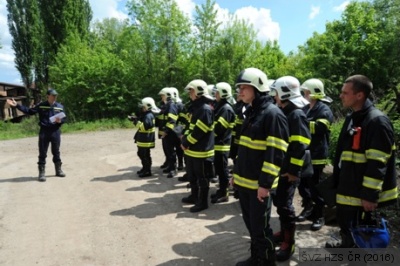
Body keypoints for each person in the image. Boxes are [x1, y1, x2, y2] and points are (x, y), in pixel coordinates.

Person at [326, 74, 398, 248]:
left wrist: (370, 196)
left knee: (362, 238)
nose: (340, 96)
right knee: (347, 227)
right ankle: (346, 246)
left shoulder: (377, 121)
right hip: (348, 190)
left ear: (359, 95)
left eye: (345, 93)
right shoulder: (353, 118)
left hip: (361, 196)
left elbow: (377, 163)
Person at [233, 68, 289, 266]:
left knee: (260, 228)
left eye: (243, 88)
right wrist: (235, 174)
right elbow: (246, 149)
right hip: (246, 183)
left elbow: (276, 154)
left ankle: (266, 262)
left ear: (256, 88)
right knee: (252, 227)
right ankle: (256, 258)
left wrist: (265, 185)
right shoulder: (252, 112)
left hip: (259, 186)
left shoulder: (272, 114)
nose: (239, 92)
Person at [270, 76, 311, 261]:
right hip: (282, 168)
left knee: (285, 205)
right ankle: (283, 233)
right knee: (279, 202)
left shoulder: (296, 114)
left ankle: (289, 242)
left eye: (275, 92)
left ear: (284, 93)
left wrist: (293, 171)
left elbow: (300, 145)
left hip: (289, 171)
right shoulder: (286, 111)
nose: (274, 95)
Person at [296, 78, 334, 231]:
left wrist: (302, 123)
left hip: (317, 155)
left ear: (312, 93)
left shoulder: (324, 109)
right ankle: (308, 207)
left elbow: (320, 128)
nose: (304, 94)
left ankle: (319, 215)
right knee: (302, 184)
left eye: (305, 91)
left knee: (315, 186)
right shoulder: (306, 108)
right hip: (305, 153)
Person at [6, 89, 66, 182]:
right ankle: (41, 173)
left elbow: (64, 119)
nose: (55, 97)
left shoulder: (60, 106)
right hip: (44, 131)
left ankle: (58, 170)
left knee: (56, 151)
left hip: (55, 131)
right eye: (53, 95)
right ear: (48, 96)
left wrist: (60, 121)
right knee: (42, 152)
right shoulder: (41, 105)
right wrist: (17, 105)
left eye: (56, 95)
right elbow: (29, 111)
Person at [180, 79, 215, 213]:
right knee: (192, 176)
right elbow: (190, 127)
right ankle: (194, 197)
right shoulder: (196, 108)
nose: (190, 94)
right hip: (192, 150)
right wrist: (184, 139)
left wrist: (186, 142)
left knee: (202, 178)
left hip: (201, 152)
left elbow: (199, 131)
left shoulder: (205, 109)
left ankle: (202, 202)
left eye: (191, 91)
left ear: (199, 92)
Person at [210, 82, 236, 204]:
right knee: (220, 169)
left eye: (217, 92)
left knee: (222, 170)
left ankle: (224, 193)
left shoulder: (226, 108)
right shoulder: (221, 106)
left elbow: (219, 128)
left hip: (222, 145)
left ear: (223, 93)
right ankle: (221, 190)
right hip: (218, 144)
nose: (215, 94)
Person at [133, 97, 160, 177]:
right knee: (143, 154)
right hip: (144, 139)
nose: (142, 108)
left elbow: (144, 127)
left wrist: (135, 122)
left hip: (145, 140)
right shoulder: (147, 115)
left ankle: (147, 170)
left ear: (147, 107)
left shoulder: (148, 116)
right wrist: (136, 119)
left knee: (144, 155)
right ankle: (145, 168)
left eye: (143, 107)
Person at [158, 87, 179, 178]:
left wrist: (166, 132)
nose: (161, 97)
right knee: (168, 151)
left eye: (162, 95)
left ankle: (173, 169)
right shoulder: (166, 105)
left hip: (171, 133)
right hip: (166, 133)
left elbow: (172, 121)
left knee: (171, 152)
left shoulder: (171, 106)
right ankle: (170, 167)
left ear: (167, 96)